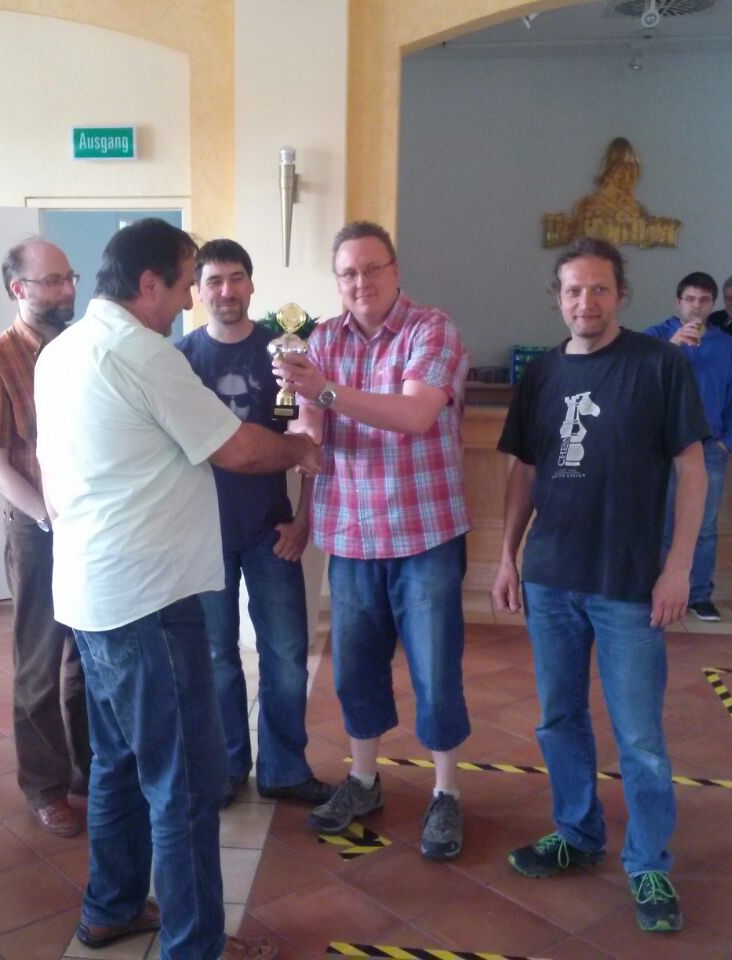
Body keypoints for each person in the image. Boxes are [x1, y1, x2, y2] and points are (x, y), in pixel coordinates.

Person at [36, 218, 313, 960]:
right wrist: (299, 448)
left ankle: (111, 908)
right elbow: (237, 448)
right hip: (148, 601)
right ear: (150, 282)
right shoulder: (142, 353)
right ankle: (196, 945)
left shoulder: (63, 349)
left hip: (91, 595)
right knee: (184, 783)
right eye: (189, 282)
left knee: (119, 763)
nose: (193, 298)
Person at [493, 237, 709, 934]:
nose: (585, 301)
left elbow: (692, 468)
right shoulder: (542, 373)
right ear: (557, 297)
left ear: (620, 294)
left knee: (639, 737)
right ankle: (577, 834)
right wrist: (506, 556)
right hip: (551, 577)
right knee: (558, 719)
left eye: (598, 289)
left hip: (627, 584)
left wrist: (679, 566)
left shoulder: (659, 365)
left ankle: (648, 864)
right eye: (573, 290)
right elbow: (525, 469)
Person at [273, 221, 472, 862]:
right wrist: (285, 417)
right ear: (337, 281)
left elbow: (415, 415)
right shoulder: (321, 340)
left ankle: (446, 792)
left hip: (423, 533)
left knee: (435, 672)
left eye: (372, 268)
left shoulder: (431, 329)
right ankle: (363, 781)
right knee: (355, 672)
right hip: (352, 534)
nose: (361, 282)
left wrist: (325, 391)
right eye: (348, 273)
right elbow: (312, 436)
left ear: (395, 270)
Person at [175, 238, 333, 809]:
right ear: (198, 291)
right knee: (216, 657)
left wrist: (303, 520)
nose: (226, 290)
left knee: (287, 655)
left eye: (236, 278)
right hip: (201, 536)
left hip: (272, 532)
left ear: (251, 284)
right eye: (214, 281)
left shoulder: (282, 357)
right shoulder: (179, 360)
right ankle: (225, 767)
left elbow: (307, 442)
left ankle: (284, 769)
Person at [0, 237, 91, 838]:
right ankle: (45, 788)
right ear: (19, 289)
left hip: (89, 523)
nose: (67, 290)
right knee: (40, 662)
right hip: (39, 529)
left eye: (70, 278)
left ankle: (90, 771)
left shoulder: (83, 349)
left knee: (88, 659)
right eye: (53, 281)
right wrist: (50, 518)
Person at [644, 272, 732, 622]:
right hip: (662, 447)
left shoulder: (726, 345)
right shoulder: (654, 338)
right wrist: (672, 346)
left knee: (704, 526)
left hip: (708, 448)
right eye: (689, 299)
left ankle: (699, 594)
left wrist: (728, 442)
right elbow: (638, 381)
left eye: (704, 300)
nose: (696, 306)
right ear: (678, 302)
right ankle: (656, 589)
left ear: (712, 305)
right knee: (660, 522)